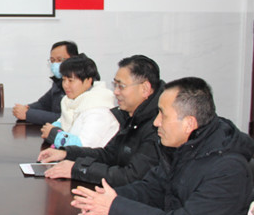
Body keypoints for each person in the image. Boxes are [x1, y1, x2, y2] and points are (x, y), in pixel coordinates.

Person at [70, 77, 254, 215]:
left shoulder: (228, 170)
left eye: (162, 115)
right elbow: (151, 188)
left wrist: (114, 207)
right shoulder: (186, 145)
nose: (156, 122)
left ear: (189, 123)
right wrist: (103, 199)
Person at [38, 55, 164, 187]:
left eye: (121, 86)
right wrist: (66, 153)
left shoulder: (157, 125)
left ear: (145, 89)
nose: (115, 92)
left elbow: (131, 176)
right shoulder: (131, 116)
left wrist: (78, 169)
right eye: (115, 85)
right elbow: (109, 154)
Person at [40, 54, 119, 149]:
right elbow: (61, 122)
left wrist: (54, 134)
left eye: (70, 80)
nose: (65, 85)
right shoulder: (73, 101)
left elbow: (84, 146)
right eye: (64, 80)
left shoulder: (98, 110)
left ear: (88, 81)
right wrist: (53, 130)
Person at [12, 40, 79, 125]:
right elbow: (43, 104)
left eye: (59, 60)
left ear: (74, 59)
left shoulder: (80, 83)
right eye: (52, 60)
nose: (55, 64)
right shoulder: (58, 81)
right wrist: (27, 108)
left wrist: (28, 114)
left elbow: (66, 118)